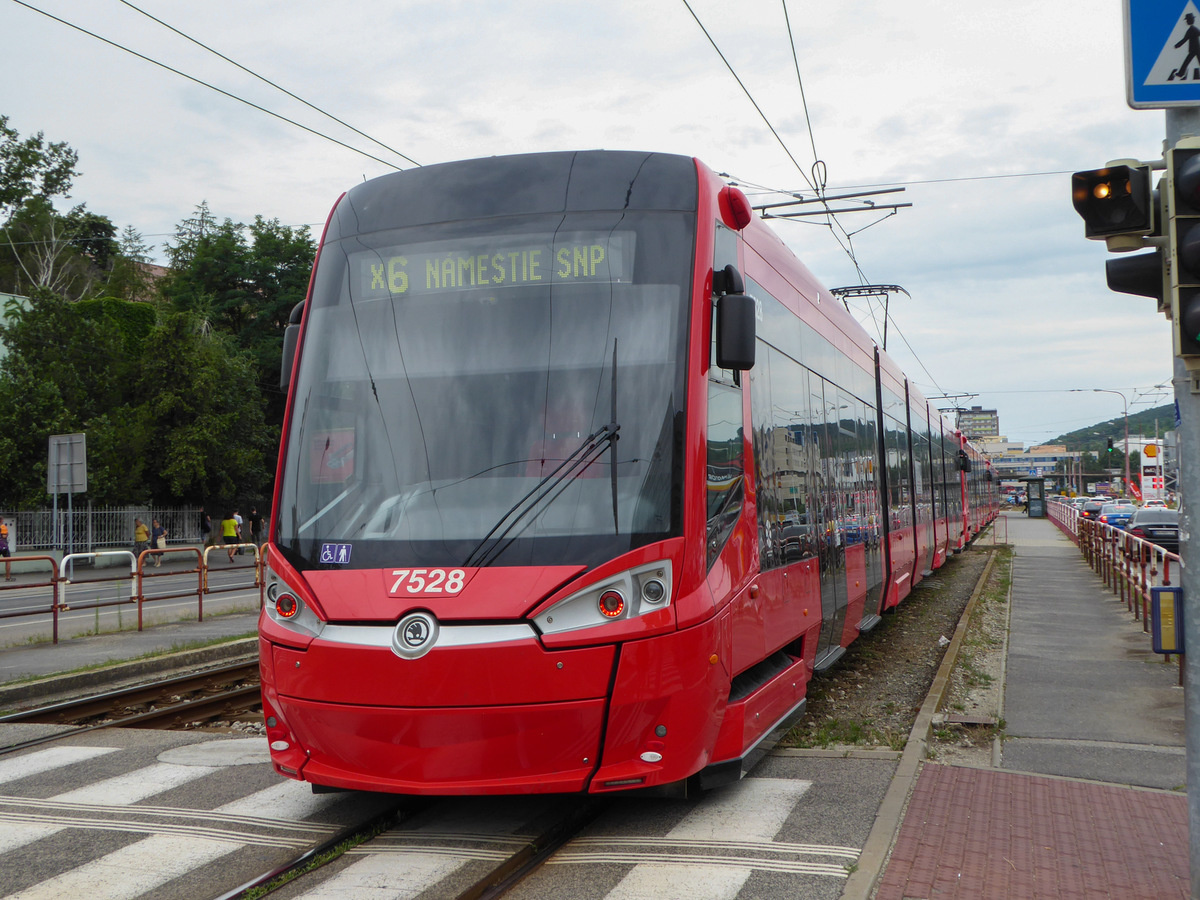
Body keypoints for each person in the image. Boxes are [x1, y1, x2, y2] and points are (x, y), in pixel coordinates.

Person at [0, 517, 11, 582]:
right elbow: (4, 536)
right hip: (3, 546)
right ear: (1, 520)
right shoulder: (3, 527)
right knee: (8, 561)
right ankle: (8, 577)